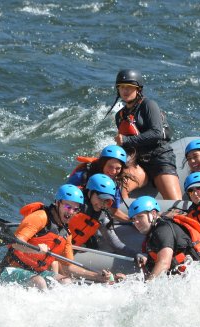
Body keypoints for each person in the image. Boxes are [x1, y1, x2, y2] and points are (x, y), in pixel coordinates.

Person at [0, 184, 116, 289]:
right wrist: (34, 249)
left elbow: (69, 267)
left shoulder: (66, 234)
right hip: (9, 270)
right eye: (68, 207)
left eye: (75, 209)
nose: (71, 212)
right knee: (39, 282)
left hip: (37, 273)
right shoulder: (40, 217)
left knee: (66, 281)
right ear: (58, 203)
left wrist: (97, 276)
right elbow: (16, 243)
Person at [106, 69, 182, 200]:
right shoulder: (120, 116)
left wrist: (125, 140)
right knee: (119, 188)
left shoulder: (149, 105)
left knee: (175, 203)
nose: (125, 91)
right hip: (139, 162)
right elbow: (127, 146)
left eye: (129, 87)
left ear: (138, 89)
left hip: (159, 158)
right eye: (122, 87)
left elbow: (156, 133)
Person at [128, 196, 200, 280]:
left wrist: (146, 289)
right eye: (134, 219)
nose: (136, 222)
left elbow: (164, 263)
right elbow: (153, 273)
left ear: (153, 214)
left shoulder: (163, 229)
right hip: (185, 279)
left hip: (198, 278)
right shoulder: (151, 236)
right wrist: (126, 279)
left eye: (140, 216)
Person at [68, 174, 137, 257]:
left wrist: (136, 254)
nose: (102, 204)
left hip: (72, 248)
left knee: (93, 246)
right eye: (100, 198)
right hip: (57, 245)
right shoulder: (72, 206)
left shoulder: (102, 219)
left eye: (107, 201)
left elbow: (116, 245)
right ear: (90, 193)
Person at [67, 144, 131, 222]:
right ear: (102, 164)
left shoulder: (113, 183)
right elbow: (65, 199)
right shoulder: (82, 175)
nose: (113, 172)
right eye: (110, 166)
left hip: (95, 209)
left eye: (118, 168)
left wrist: (132, 221)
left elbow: (114, 211)